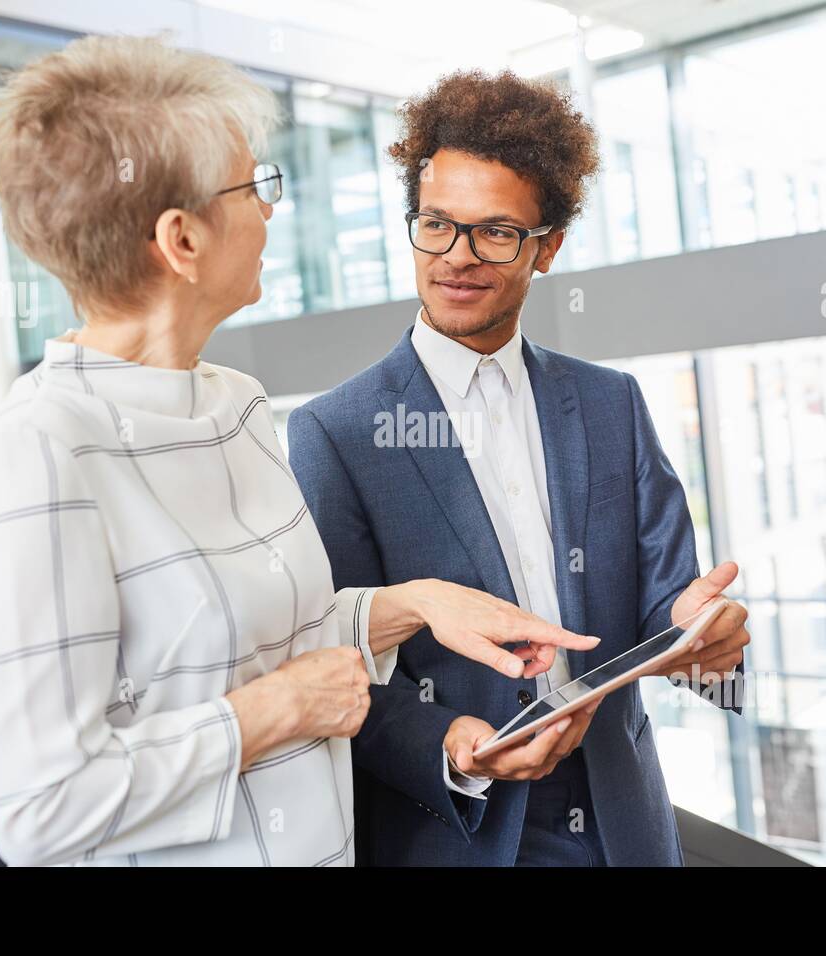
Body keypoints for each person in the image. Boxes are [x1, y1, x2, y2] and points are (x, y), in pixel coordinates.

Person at [0, 37, 596, 867]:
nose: (271, 206)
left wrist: (419, 603)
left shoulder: (238, 403)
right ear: (181, 241)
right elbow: (38, 807)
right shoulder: (38, 452)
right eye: (254, 184)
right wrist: (278, 711)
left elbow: (278, 639)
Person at [288, 70, 751, 866]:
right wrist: (452, 746)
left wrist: (708, 648)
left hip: (624, 824)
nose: (457, 258)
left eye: (496, 232)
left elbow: (668, 616)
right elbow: (333, 662)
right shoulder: (336, 432)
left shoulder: (613, 405)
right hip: (459, 828)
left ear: (548, 248)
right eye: (437, 224)